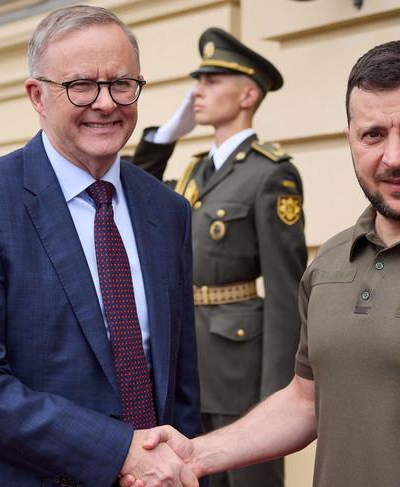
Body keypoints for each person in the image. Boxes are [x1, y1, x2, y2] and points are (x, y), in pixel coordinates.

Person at [124, 39, 400, 487]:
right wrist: (197, 453)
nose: (393, 157)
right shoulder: (330, 262)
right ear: (350, 139)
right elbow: (305, 401)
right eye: (372, 134)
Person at [0, 6, 202, 487]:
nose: (106, 103)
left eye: (122, 83)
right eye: (81, 85)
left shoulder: (167, 210)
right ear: (38, 96)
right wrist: (118, 453)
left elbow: (181, 385)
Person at [130, 27, 307, 487]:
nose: (197, 91)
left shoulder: (271, 174)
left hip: (242, 366)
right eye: (198, 80)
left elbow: (287, 293)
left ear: (248, 93)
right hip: (188, 364)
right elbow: (132, 194)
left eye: (211, 81)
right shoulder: (194, 170)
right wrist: (166, 136)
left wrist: (280, 394)